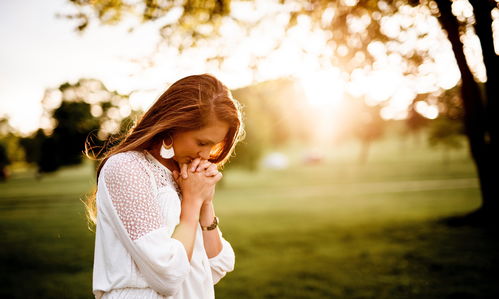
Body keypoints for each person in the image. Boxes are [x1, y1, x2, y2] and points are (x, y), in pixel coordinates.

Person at [86, 74, 244, 298]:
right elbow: (168, 274)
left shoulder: (184, 176)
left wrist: (205, 202)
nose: (206, 155)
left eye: (213, 145)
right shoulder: (127, 168)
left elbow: (216, 266)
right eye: (201, 142)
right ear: (173, 126)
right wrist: (191, 204)